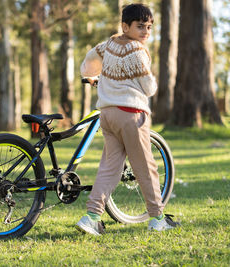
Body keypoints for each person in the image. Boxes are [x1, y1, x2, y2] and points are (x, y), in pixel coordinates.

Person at [76, 3, 180, 235]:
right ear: (125, 26)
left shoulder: (108, 44)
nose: (146, 32)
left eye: (149, 27)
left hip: (108, 114)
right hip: (131, 115)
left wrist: (95, 76)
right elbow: (149, 86)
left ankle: (91, 217)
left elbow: (88, 63)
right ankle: (157, 218)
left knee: (109, 168)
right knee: (145, 167)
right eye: (140, 26)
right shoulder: (138, 50)